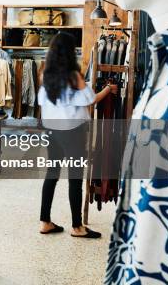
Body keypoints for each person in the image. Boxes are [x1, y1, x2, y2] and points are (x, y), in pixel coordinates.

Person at [37, 32, 116, 239]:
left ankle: (45, 221)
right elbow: (90, 99)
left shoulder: (45, 72)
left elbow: (42, 102)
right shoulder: (73, 75)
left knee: (51, 174)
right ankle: (77, 227)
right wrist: (108, 89)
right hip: (72, 132)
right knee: (75, 178)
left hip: (51, 130)